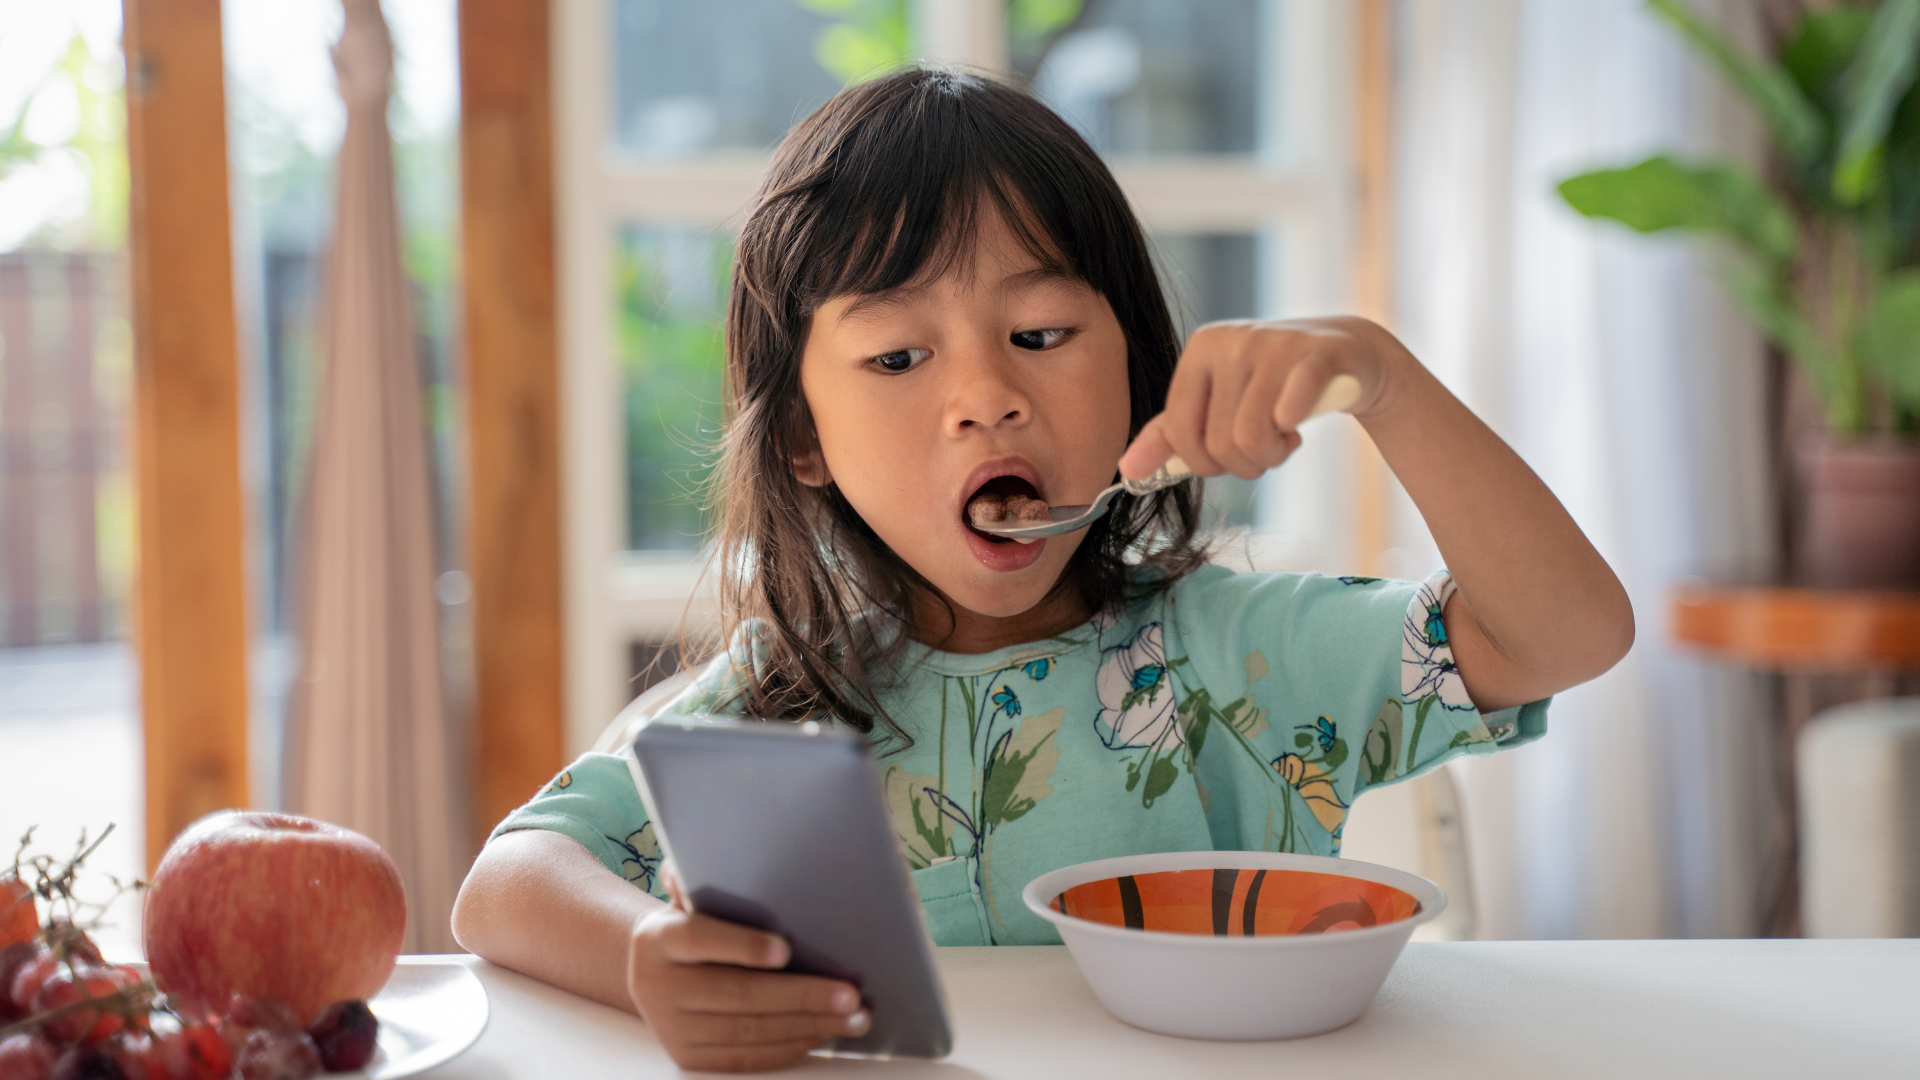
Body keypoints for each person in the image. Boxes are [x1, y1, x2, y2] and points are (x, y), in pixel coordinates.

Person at [450, 68, 1633, 1072]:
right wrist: (644, 960)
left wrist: (1382, 378)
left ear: (1137, 368)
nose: (987, 398)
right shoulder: (781, 698)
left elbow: (1564, 635)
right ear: (804, 439)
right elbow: (506, 883)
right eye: (900, 354)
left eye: (1042, 336)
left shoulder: (1243, 658)